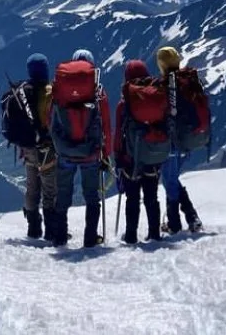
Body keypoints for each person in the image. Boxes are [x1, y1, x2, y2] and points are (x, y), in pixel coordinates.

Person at [50, 49, 113, 248]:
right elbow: (106, 126)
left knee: (62, 193)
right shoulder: (98, 92)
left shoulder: (59, 90)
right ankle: (90, 238)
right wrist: (106, 153)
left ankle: (60, 236)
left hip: (65, 151)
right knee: (92, 196)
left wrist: (56, 143)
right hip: (91, 153)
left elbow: (50, 119)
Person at [114, 59, 166, 244]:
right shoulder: (157, 97)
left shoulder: (124, 104)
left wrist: (118, 157)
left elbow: (119, 133)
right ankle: (154, 233)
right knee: (152, 196)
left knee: (132, 198)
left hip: (131, 159)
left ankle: (131, 235)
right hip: (153, 155)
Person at [157, 46, 204, 234]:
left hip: (170, 141)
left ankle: (180, 222)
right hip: (187, 139)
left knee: (170, 181)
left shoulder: (165, 85)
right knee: (172, 179)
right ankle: (188, 218)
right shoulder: (189, 81)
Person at [19, 53, 58, 241]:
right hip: (47, 148)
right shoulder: (50, 92)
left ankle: (33, 228)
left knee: (32, 187)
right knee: (49, 189)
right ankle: (51, 230)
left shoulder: (22, 93)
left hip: (28, 148)